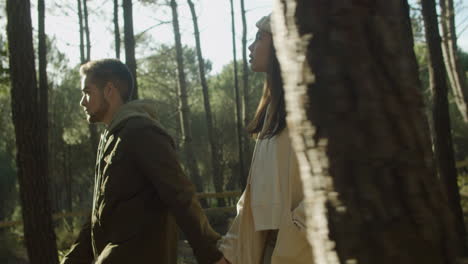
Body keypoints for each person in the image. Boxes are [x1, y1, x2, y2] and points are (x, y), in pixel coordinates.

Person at [61, 59, 225, 264]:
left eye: (87, 92)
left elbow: (179, 194)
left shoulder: (141, 131)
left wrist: (210, 254)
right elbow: (98, 214)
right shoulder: (110, 138)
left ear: (109, 90)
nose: (82, 101)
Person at [218, 15, 313, 264]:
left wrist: (292, 238)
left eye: (260, 38)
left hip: (299, 252)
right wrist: (230, 254)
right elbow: (253, 195)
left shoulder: (311, 104)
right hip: (268, 251)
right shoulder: (274, 110)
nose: (251, 47)